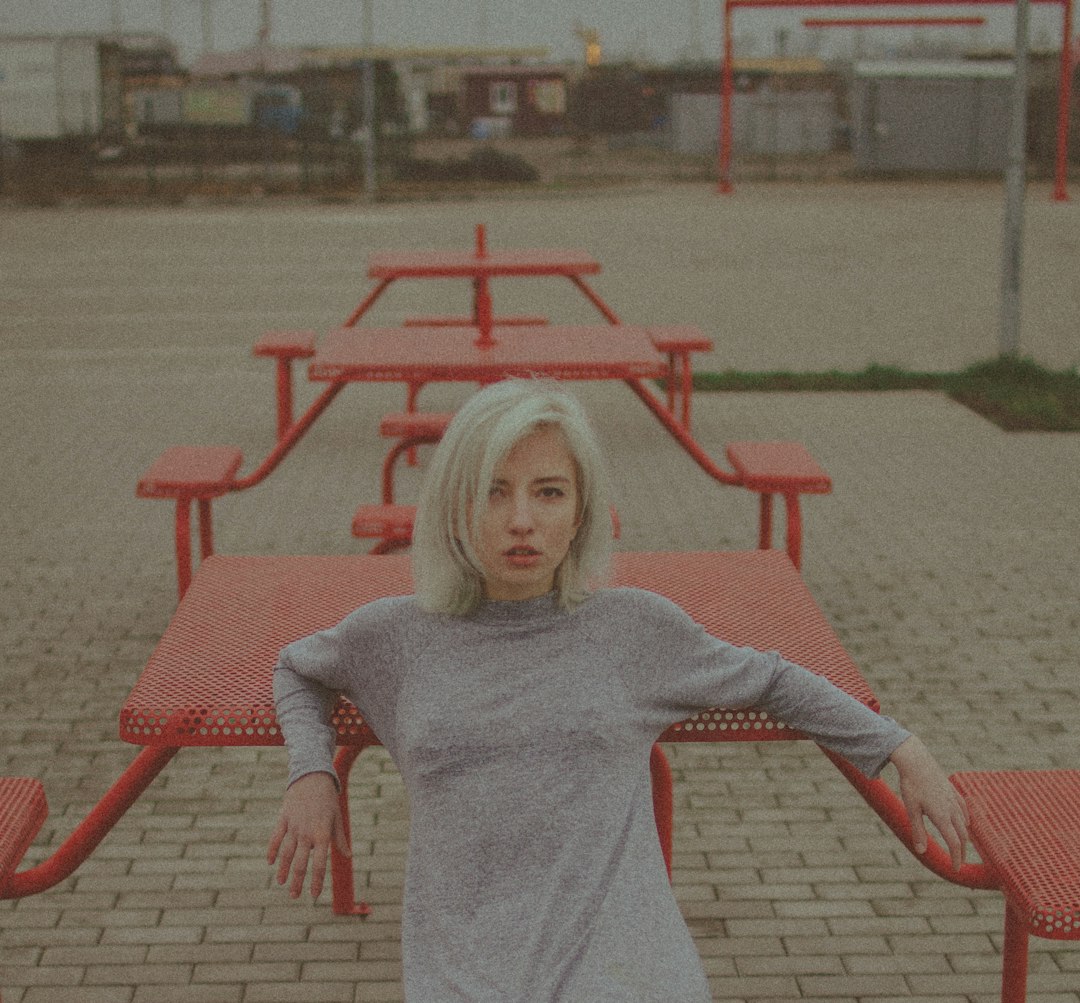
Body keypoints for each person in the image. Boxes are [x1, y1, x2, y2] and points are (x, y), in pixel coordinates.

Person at [268, 378, 969, 1002]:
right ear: (454, 505)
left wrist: (901, 747)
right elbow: (297, 668)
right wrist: (312, 770)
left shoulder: (634, 629)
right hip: (466, 968)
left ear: (579, 512)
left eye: (548, 491)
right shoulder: (397, 636)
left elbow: (773, 677)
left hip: (626, 966)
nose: (522, 520)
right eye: (494, 490)